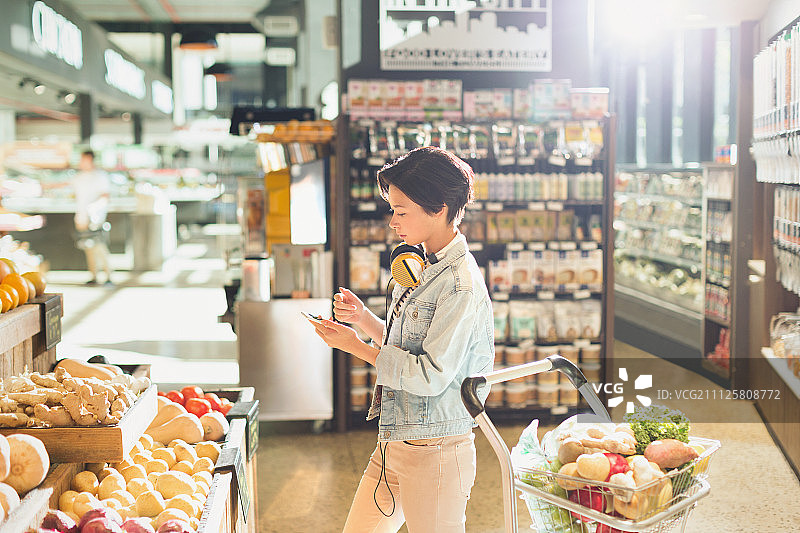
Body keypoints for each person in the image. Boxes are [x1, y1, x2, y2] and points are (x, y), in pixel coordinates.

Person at [308, 146, 495, 533]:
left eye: (402, 211)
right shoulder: (424, 261)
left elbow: (429, 375)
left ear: (439, 208)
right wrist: (362, 320)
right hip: (395, 440)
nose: (393, 221)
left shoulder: (460, 284)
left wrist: (355, 348)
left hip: (437, 451)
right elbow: (407, 343)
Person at [73, 150, 113, 285]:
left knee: (100, 247)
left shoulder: (100, 176)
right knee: (88, 247)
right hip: (82, 217)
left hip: (96, 218)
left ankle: (108, 276)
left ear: (90, 159)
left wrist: (93, 210)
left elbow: (105, 197)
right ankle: (94, 275)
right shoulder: (79, 177)